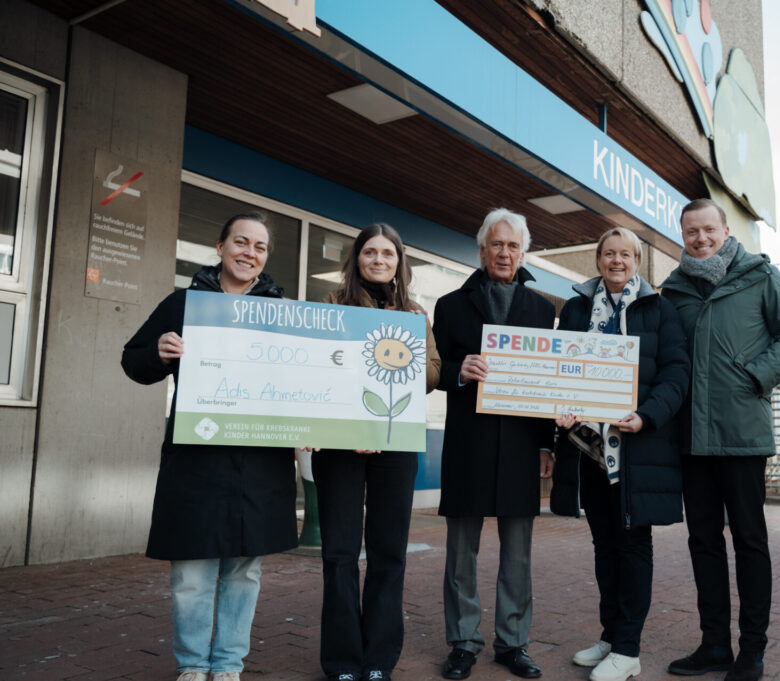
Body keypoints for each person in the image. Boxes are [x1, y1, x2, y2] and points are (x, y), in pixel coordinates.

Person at [121, 213, 298, 681]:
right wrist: (158, 352)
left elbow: (301, 382)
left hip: (259, 463)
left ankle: (228, 666)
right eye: (241, 242)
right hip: (196, 460)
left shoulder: (282, 314)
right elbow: (133, 360)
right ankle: (193, 665)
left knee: (244, 571)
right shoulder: (183, 304)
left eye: (259, 247)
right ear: (220, 247)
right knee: (191, 573)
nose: (249, 253)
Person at [659, 199, 780, 681]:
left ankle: (752, 651)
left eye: (709, 229)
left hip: (743, 434)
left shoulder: (759, 276)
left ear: (726, 231)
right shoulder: (673, 289)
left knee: (749, 541)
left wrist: (753, 376)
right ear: (682, 234)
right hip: (691, 438)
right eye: (691, 231)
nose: (701, 238)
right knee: (703, 542)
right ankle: (713, 646)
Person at [548, 227, 690, 681]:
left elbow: (677, 374)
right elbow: (560, 368)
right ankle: (611, 637)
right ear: (598, 260)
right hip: (587, 449)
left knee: (632, 546)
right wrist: (560, 407)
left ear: (637, 262)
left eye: (625, 254)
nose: (617, 261)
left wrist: (646, 416)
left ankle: (628, 650)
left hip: (635, 449)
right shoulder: (576, 308)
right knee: (604, 546)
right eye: (609, 254)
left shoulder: (659, 310)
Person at [311, 223, 441, 681]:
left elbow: (432, 373)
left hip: (394, 441)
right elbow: (318, 368)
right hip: (340, 445)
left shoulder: (414, 314)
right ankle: (342, 661)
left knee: (389, 552)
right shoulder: (331, 305)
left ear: (399, 262)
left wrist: (403, 351)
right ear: (357, 258)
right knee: (340, 553)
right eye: (370, 252)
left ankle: (379, 660)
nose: (379, 260)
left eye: (388, 253)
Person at [432, 208, 556, 680]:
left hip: (522, 444)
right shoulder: (450, 305)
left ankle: (513, 643)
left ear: (523, 253)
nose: (505, 253)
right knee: (461, 551)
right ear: (483, 249)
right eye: (497, 244)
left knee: (518, 553)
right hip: (469, 441)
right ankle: (463, 642)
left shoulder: (542, 309)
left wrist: (546, 445)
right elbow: (435, 369)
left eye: (513, 246)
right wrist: (458, 372)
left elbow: (546, 385)